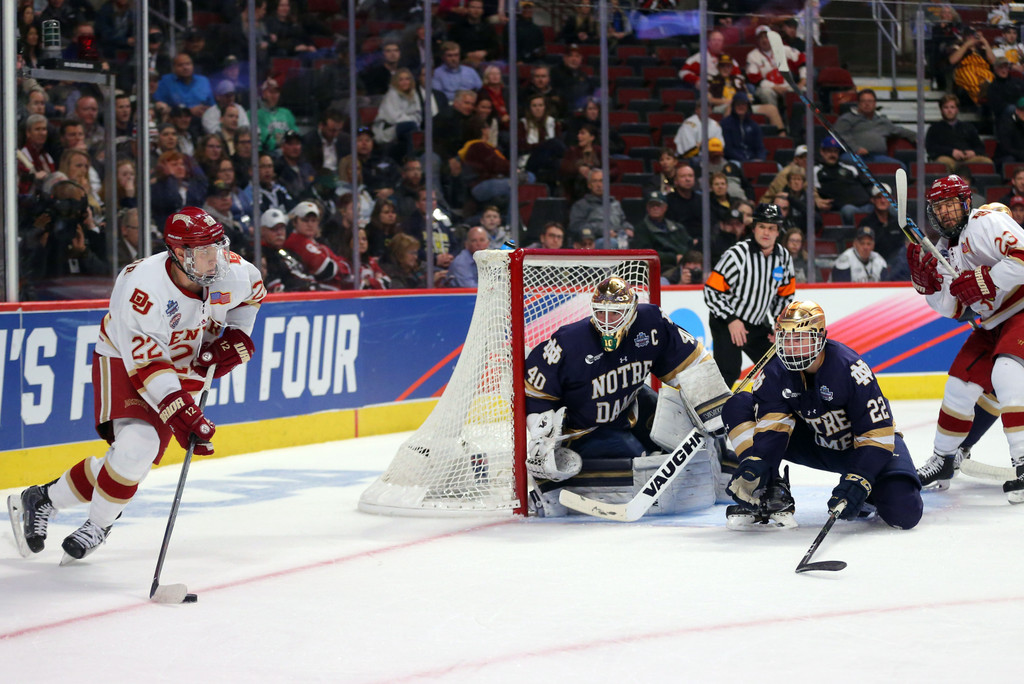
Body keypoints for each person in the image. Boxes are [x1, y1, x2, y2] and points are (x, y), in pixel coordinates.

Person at [8, 207, 264, 561]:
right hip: (126, 357)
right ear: (178, 253)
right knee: (137, 445)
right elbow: (149, 363)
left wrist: (236, 333)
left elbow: (252, 296)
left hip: (184, 361)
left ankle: (42, 499)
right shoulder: (142, 287)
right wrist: (181, 412)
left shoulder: (234, 272)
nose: (215, 259)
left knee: (131, 458)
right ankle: (98, 525)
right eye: (204, 251)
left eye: (218, 248)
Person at [523, 276, 732, 516]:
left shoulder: (651, 322)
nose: (606, 322)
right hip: (586, 429)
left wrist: (713, 407)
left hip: (628, 407)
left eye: (615, 313)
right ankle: (547, 488)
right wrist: (542, 439)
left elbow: (691, 361)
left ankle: (724, 472)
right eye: (601, 313)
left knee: (689, 426)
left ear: (631, 310)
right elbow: (535, 390)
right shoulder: (570, 342)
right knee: (638, 459)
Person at [722, 300, 923, 530]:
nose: (791, 347)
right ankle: (769, 489)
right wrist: (758, 463)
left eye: (799, 339)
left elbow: (878, 433)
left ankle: (872, 491)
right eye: (785, 338)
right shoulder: (775, 372)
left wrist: (860, 478)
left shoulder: (849, 368)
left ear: (820, 337)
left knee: (904, 512)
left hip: (864, 448)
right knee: (738, 405)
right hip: (818, 443)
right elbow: (773, 428)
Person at [909, 175, 1024, 502]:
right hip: (993, 322)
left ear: (966, 203)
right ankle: (944, 460)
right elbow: (953, 308)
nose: (945, 212)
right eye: (939, 207)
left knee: (1006, 372)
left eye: (950, 204)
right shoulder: (946, 249)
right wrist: (929, 288)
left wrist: (986, 280)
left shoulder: (986, 221)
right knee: (959, 384)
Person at [704, 203, 795, 388]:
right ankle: (712, 405)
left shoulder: (784, 257)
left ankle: (772, 403)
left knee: (779, 365)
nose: (766, 232)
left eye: (771, 228)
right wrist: (731, 320)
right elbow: (711, 290)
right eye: (762, 226)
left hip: (756, 323)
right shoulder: (737, 254)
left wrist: (779, 323)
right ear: (754, 228)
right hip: (726, 322)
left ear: (778, 231)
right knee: (729, 370)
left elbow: (785, 294)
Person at [833, 89, 916, 169]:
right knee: (849, 161)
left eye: (870, 101)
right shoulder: (847, 118)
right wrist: (856, 148)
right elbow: (839, 134)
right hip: (855, 155)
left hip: (878, 156)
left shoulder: (882, 120)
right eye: (863, 101)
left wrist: (915, 136)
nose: (867, 104)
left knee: (900, 167)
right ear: (858, 103)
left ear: (875, 104)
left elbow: (898, 130)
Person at [630, 190, 695, 276]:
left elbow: (688, 244)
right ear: (647, 208)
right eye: (652, 205)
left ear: (665, 207)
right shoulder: (641, 229)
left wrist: (684, 258)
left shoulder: (677, 227)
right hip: (657, 270)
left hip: (683, 265)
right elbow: (645, 254)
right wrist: (673, 258)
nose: (655, 208)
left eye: (658, 205)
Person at [814, 135, 874, 226]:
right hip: (844, 208)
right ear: (822, 152)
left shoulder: (850, 167)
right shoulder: (816, 170)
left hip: (866, 204)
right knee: (848, 210)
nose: (833, 155)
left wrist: (874, 197)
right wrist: (816, 199)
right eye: (829, 151)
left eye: (835, 151)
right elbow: (812, 189)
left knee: (890, 208)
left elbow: (868, 183)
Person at [925, 94, 992, 172]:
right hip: (947, 159)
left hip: (967, 159)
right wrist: (951, 152)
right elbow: (931, 148)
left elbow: (980, 147)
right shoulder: (934, 128)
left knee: (987, 162)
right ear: (941, 110)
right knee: (944, 162)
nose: (949, 110)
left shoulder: (968, 127)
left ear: (957, 109)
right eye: (946, 107)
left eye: (952, 107)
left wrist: (973, 152)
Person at [568, 168, 632, 246]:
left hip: (617, 238)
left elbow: (623, 221)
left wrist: (628, 228)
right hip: (595, 241)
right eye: (595, 181)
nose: (599, 185)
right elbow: (577, 226)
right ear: (589, 185)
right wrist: (604, 232)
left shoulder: (615, 204)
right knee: (611, 243)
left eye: (602, 181)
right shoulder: (581, 205)